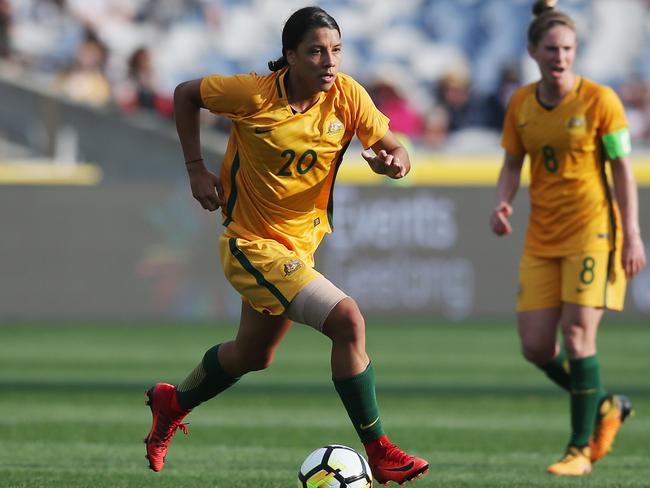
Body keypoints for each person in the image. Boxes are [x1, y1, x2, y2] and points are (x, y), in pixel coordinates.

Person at [143, 6, 429, 485]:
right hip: (250, 245)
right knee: (347, 320)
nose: (329, 61)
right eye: (316, 51)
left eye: (336, 50)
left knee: (252, 356)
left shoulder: (347, 96)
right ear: (290, 57)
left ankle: (173, 402)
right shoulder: (252, 94)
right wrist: (195, 166)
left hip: (299, 249)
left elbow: (395, 147)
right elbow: (185, 94)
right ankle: (379, 450)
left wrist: (395, 164)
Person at [490, 0, 646, 477]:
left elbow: (622, 168)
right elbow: (513, 162)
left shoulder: (601, 100)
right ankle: (605, 405)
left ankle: (579, 450)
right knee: (536, 347)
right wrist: (504, 201)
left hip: (593, 232)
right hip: (542, 237)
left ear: (575, 51)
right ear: (534, 51)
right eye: (552, 48)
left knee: (578, 336)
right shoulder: (521, 103)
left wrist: (632, 233)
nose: (560, 56)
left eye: (568, 48)